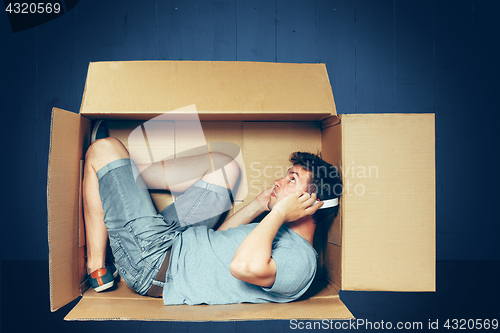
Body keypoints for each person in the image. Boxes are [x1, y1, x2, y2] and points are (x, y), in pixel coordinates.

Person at [83, 122, 342, 305]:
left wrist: (279, 212)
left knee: (102, 149)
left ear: (312, 202)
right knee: (224, 167)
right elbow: (218, 241)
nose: (278, 181)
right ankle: (122, 177)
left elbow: (242, 267)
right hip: (179, 240)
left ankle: (97, 267)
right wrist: (258, 206)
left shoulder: (302, 263)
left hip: (155, 264)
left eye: (292, 180)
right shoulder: (282, 230)